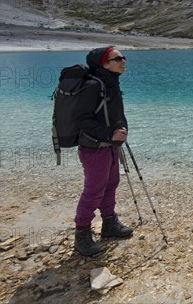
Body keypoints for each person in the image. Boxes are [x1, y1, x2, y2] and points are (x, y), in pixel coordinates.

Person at [73, 46, 133, 256]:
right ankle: (82, 235)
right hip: (95, 148)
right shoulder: (92, 85)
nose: (124, 61)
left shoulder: (110, 82)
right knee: (93, 191)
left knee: (111, 184)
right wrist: (110, 133)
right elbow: (82, 120)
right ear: (105, 64)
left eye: (123, 57)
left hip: (109, 147)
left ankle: (109, 224)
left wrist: (118, 133)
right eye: (118, 58)